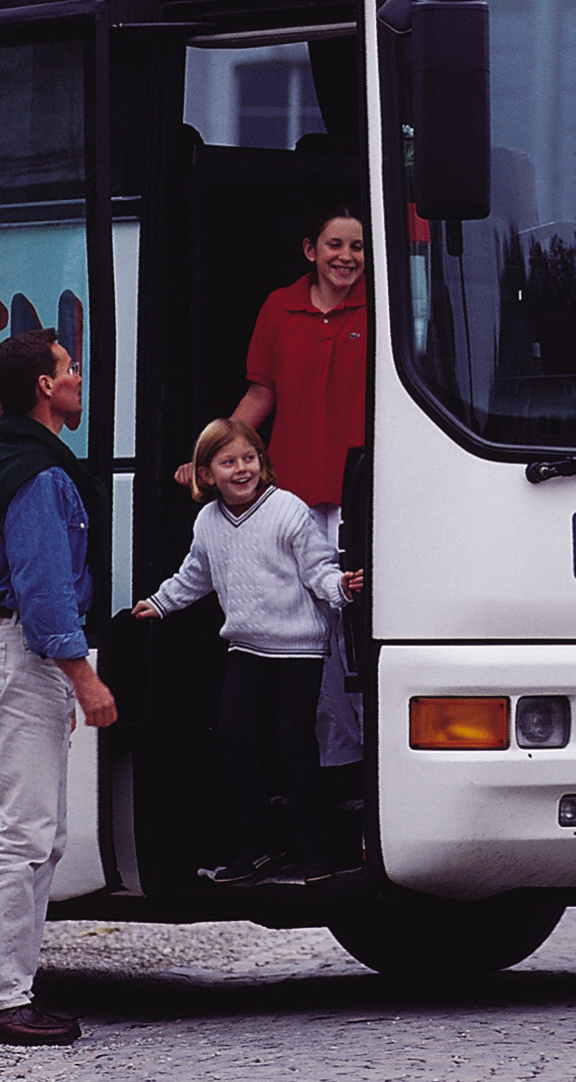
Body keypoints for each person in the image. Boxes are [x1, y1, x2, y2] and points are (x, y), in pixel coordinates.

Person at [176, 209, 369, 790]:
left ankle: (371, 767)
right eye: (335, 244)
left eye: (358, 246)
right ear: (310, 249)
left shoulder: (384, 304)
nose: (347, 256)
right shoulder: (278, 308)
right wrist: (210, 453)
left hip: (365, 493)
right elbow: (262, 393)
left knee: (356, 626)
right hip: (297, 496)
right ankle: (336, 770)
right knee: (311, 632)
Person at [134, 418, 362, 886]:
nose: (241, 469)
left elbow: (318, 570)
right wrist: (160, 603)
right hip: (246, 645)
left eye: (249, 458)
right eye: (228, 462)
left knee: (295, 744)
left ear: (263, 461)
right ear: (205, 475)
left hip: (299, 648)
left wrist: (340, 586)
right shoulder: (208, 521)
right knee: (233, 738)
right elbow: (195, 575)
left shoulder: (288, 511)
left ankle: (316, 850)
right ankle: (259, 846)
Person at [0, 329, 115, 1047]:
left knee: (42, 836)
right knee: (26, 834)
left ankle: (11, 992)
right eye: (68, 367)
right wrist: (82, 676)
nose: (78, 375)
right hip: (29, 654)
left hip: (29, 656)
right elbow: (44, 586)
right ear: (43, 390)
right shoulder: (39, 475)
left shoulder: (32, 463)